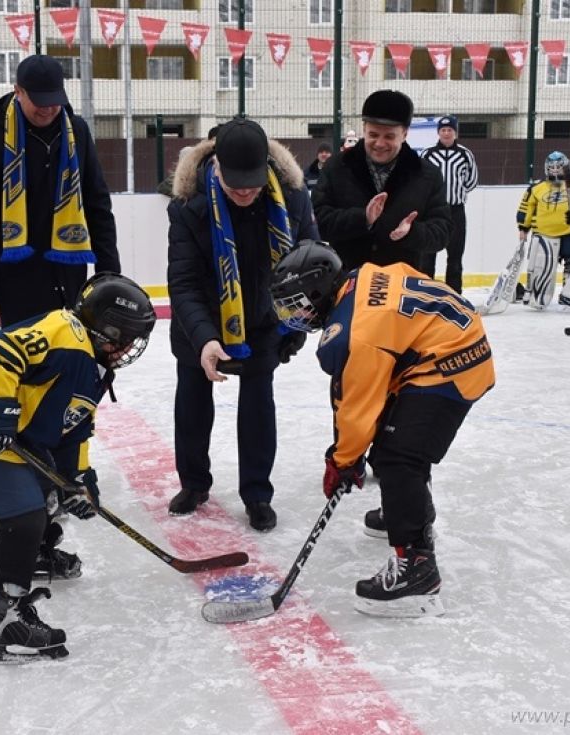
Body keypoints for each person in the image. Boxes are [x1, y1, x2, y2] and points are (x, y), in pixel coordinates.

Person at [269, 240, 495, 617]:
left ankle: (417, 569)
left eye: (298, 301)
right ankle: (404, 509)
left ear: (318, 289)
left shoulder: (356, 331)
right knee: (397, 435)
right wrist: (349, 454)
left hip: (449, 364)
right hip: (450, 348)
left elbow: (358, 408)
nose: (295, 312)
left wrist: (342, 460)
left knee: (397, 455)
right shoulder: (362, 279)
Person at [0, 272, 156, 662]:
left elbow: (75, 427)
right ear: (106, 327)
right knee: (24, 517)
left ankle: (34, 557)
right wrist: (2, 413)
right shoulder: (66, 335)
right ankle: (7, 619)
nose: (128, 348)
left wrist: (80, 479)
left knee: (53, 493)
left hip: (21, 436)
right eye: (126, 337)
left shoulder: (94, 363)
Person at [165, 116, 318, 532]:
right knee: (193, 406)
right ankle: (194, 484)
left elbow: (308, 265)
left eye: (253, 183)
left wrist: (295, 327)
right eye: (236, 187)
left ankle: (257, 494)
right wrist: (205, 339)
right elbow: (184, 283)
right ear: (217, 170)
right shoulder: (189, 204)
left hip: (265, 320)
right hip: (201, 324)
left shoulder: (291, 196)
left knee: (257, 407)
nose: (247, 193)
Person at [0, 54, 119, 328]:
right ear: (18, 91)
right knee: (28, 367)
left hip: (71, 279)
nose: (48, 109)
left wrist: (109, 275)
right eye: (39, 100)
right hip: (18, 283)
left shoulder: (77, 133)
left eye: (54, 100)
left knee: (73, 363)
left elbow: (98, 206)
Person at [312, 90, 451, 275]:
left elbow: (442, 231)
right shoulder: (337, 167)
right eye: (373, 135)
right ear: (364, 129)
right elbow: (318, 222)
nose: (379, 143)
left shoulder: (427, 175)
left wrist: (412, 232)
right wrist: (363, 219)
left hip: (402, 287)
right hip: (347, 284)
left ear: (405, 133)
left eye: (389, 137)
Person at [514, 152, 570, 309]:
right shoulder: (537, 188)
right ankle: (539, 296)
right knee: (542, 268)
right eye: (552, 168)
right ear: (546, 169)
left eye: (559, 167)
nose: (555, 171)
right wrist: (523, 227)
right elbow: (526, 207)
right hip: (544, 234)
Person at [419, 115, 478, 292]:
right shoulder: (427, 154)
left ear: (455, 132)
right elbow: (420, 179)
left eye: (450, 130)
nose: (446, 133)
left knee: (455, 256)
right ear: (438, 132)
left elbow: (471, 180)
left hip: (456, 211)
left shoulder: (465, 154)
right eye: (443, 130)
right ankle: (426, 294)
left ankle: (454, 295)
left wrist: (456, 191)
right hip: (432, 211)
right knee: (428, 255)